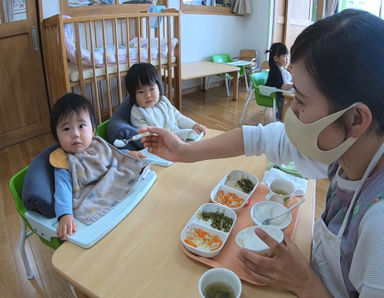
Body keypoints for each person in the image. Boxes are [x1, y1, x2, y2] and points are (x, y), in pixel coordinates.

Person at [140, 9, 384, 297]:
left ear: (356, 118)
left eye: (302, 102)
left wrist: (304, 283)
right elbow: (260, 138)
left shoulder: (378, 225)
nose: (292, 110)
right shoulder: (349, 151)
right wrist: (184, 151)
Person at [50, 93, 149, 240]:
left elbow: (110, 154)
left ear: (93, 128)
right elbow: (62, 189)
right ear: (56, 136)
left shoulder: (96, 143)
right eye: (66, 129)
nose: (75, 134)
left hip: (116, 184)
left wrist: (127, 153)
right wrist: (65, 214)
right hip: (94, 202)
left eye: (81, 126)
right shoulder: (63, 161)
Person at [128, 63, 207, 141]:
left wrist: (193, 125)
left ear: (159, 88)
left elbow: (178, 117)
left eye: (152, 89)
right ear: (133, 95)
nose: (148, 95)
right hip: (160, 144)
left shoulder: (163, 101)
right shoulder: (137, 112)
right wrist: (178, 135)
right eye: (141, 92)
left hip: (179, 136)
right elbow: (147, 135)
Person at [265, 42, 294, 121]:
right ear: (276, 59)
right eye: (284, 56)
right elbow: (282, 86)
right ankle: (279, 119)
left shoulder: (282, 68)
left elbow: (288, 80)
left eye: (287, 56)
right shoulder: (275, 71)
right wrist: (294, 85)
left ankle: (288, 117)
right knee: (284, 103)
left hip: (279, 91)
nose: (287, 59)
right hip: (272, 93)